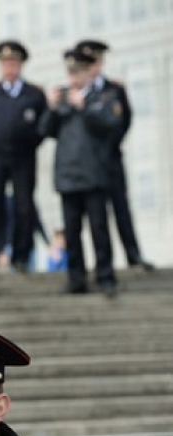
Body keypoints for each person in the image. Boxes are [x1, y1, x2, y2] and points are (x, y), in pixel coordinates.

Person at [39, 49, 121, 296]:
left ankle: (105, 276)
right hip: (68, 178)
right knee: (72, 232)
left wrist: (84, 107)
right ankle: (77, 278)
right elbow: (44, 130)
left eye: (78, 72)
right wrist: (51, 108)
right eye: (71, 72)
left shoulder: (103, 97)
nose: (73, 78)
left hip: (94, 176)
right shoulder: (61, 100)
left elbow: (110, 126)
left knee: (99, 229)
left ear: (88, 73)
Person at [76, 39, 154, 272]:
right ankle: (101, 265)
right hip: (87, 165)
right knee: (95, 217)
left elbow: (124, 121)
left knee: (121, 208)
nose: (92, 66)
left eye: (96, 61)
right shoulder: (76, 93)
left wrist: (108, 146)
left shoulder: (114, 89)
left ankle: (133, 254)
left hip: (110, 159)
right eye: (87, 62)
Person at [0, 41, 47, 276]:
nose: (9, 67)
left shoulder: (34, 94)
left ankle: (21, 255)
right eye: (5, 63)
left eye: (14, 63)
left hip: (23, 157)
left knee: (24, 206)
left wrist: (30, 141)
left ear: (21, 65)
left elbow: (43, 126)